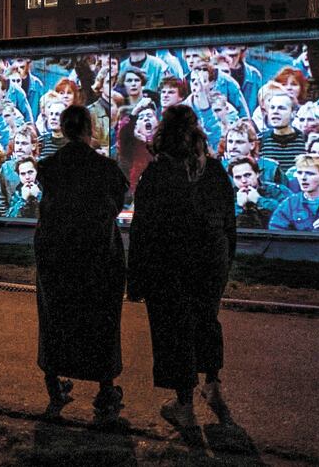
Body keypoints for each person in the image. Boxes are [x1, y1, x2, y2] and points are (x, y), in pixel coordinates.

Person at [128, 105, 236, 431]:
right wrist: (225, 260)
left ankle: (184, 405)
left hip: (170, 263)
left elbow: (142, 230)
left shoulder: (157, 174)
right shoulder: (214, 171)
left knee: (175, 332)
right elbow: (229, 222)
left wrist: (135, 280)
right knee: (206, 319)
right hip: (210, 260)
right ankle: (212, 383)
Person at [34, 105, 128, 423]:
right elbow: (117, 201)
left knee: (55, 319)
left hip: (57, 256)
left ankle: (53, 385)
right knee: (100, 321)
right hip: (97, 257)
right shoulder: (106, 169)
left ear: (63, 129)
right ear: (90, 128)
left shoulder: (49, 167)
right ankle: (104, 390)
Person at [269, 154, 319, 231]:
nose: (303, 178)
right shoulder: (290, 203)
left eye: (310, 173)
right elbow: (275, 230)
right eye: (299, 173)